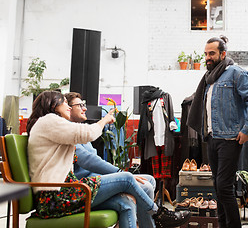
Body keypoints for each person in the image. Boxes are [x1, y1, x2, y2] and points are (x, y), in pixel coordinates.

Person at [26, 90, 191, 228]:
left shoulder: (53, 126)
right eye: (65, 103)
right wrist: (104, 120)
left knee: (126, 203)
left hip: (66, 192)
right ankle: (158, 214)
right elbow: (88, 140)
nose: (69, 108)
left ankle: (158, 216)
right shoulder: (49, 121)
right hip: (56, 196)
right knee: (127, 177)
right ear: (53, 105)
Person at [187, 36, 248, 228]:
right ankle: (222, 225)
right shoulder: (209, 78)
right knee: (217, 187)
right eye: (205, 54)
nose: (207, 57)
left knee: (224, 187)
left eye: (211, 53)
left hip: (230, 138)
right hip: (212, 138)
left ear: (223, 54)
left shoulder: (236, 73)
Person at [65, 91, 156, 227]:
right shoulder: (66, 133)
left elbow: (92, 158)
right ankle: (157, 215)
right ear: (68, 108)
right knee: (144, 187)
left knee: (150, 180)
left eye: (84, 104)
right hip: (83, 185)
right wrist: (119, 173)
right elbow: (88, 160)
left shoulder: (81, 129)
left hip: (96, 180)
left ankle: (149, 221)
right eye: (80, 105)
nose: (85, 108)